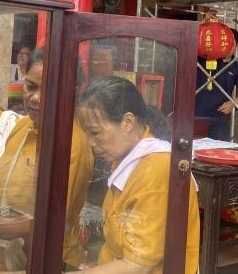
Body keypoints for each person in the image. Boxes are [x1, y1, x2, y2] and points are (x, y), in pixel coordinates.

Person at [72, 76, 199, 273]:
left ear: (128, 122)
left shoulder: (157, 169)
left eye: (95, 133)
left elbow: (137, 266)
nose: (90, 143)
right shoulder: (125, 160)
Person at [0, 49, 93, 271]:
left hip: (41, 261)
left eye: (49, 90)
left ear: (74, 91)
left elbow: (50, 222)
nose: (35, 98)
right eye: (30, 86)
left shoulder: (71, 143)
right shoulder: (21, 127)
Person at [194, 48, 238, 141]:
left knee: (218, 150)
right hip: (196, 116)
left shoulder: (237, 68)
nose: (227, 46)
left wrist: (233, 103)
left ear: (237, 45)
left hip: (219, 117)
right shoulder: (201, 61)